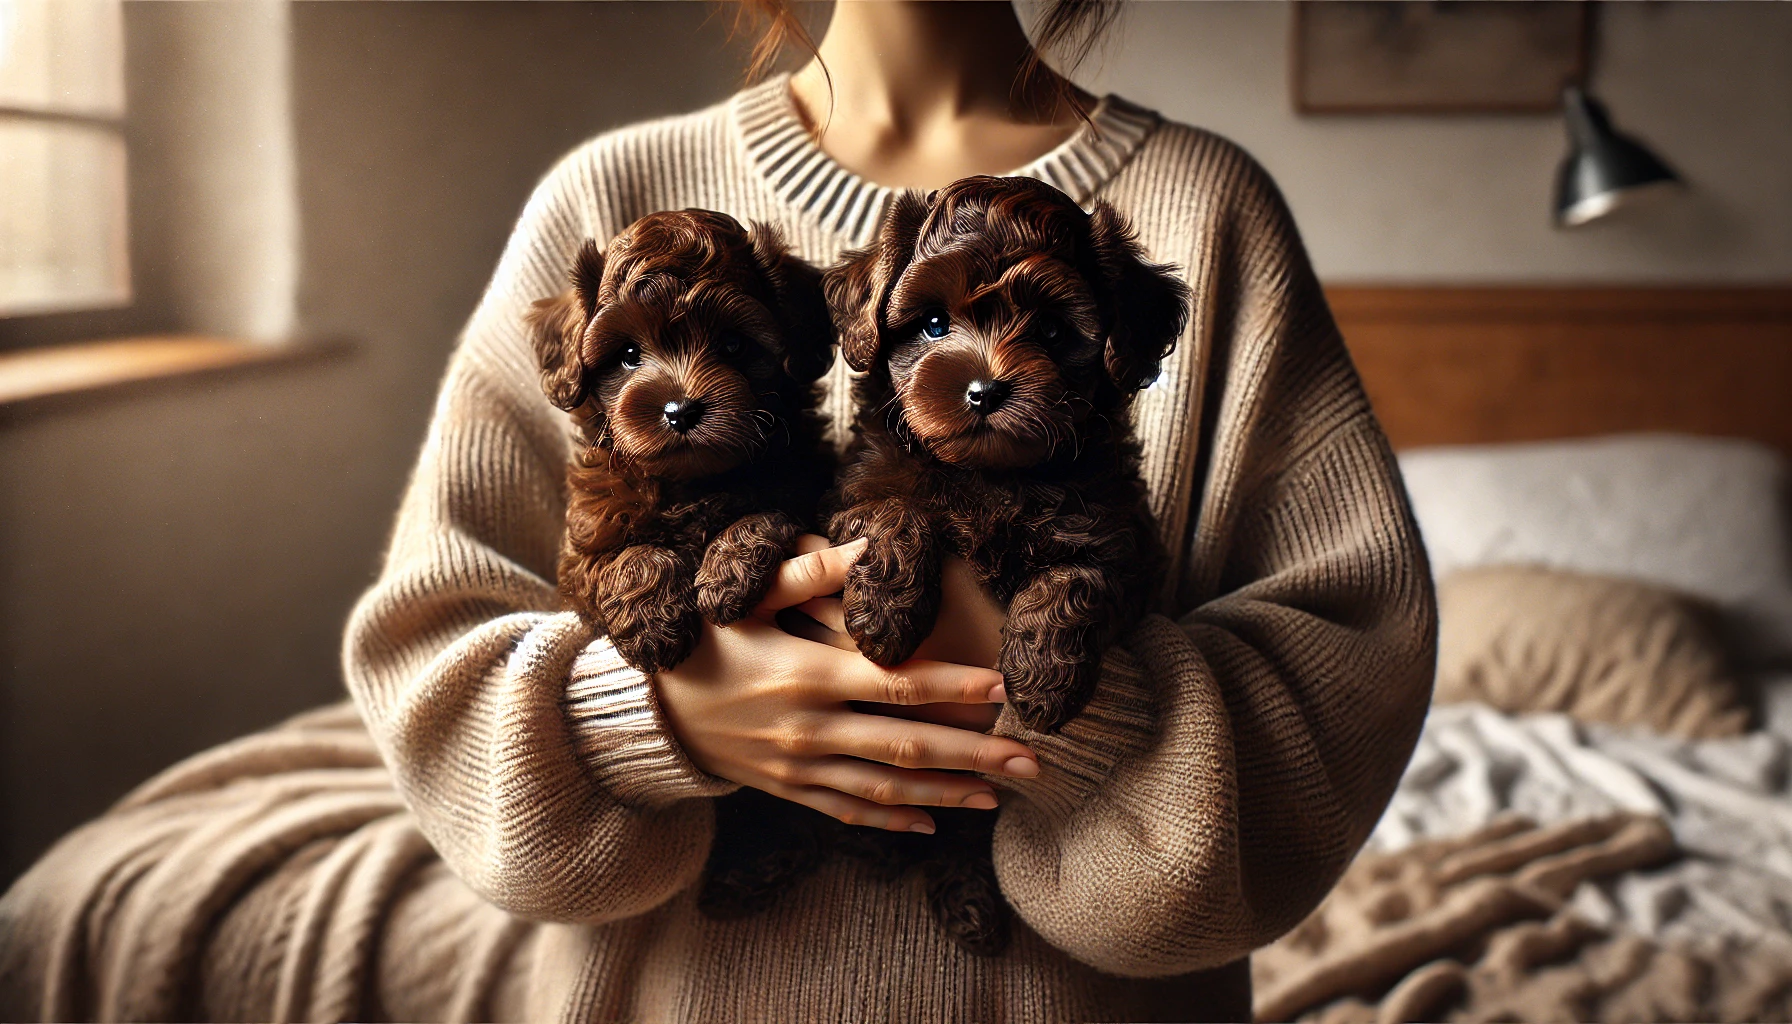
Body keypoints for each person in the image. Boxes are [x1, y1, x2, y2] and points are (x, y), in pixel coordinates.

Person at [0, 1, 1436, 1020]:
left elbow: (1346, 668)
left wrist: (1058, 685)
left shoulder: (1200, 215)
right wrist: (656, 713)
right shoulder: (613, 196)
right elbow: (433, 635)